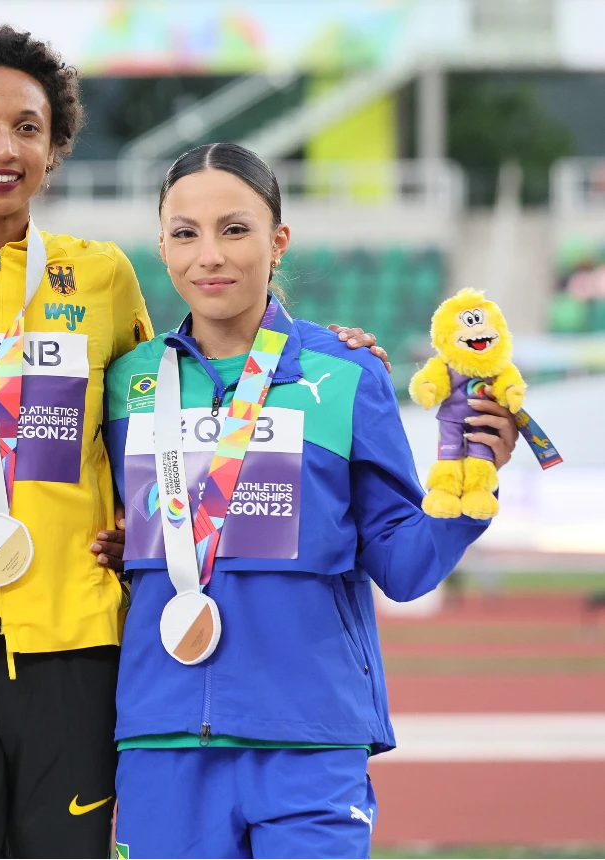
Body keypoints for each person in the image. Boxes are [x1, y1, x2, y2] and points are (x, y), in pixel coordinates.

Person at [0, 27, 390, 860]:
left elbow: (176, 396)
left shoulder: (101, 279)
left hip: (77, 641)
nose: (3, 147)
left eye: (28, 127)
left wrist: (325, 347)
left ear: (55, 146)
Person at [103, 143, 519, 859]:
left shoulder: (346, 371)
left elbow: (403, 565)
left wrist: (469, 475)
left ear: (278, 241)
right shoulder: (124, 383)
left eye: (235, 229)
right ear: (162, 247)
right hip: (161, 735)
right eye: (185, 232)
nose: (210, 255)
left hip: (309, 737)